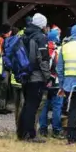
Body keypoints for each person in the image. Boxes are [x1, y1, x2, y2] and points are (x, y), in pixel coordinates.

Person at [17, 13, 51, 142]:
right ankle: (30, 134)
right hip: (36, 76)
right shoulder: (40, 37)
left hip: (25, 75)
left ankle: (21, 132)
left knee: (26, 105)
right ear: (42, 25)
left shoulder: (24, 35)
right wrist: (48, 77)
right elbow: (43, 59)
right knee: (33, 106)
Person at [38, 28, 63, 138]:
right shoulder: (59, 50)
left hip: (44, 82)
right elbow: (59, 68)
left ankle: (43, 129)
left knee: (44, 107)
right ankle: (56, 130)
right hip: (56, 83)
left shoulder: (43, 48)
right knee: (57, 107)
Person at [0, 23, 13, 114]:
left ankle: (2, 106)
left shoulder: (0, 39)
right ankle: (0, 107)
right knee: (3, 87)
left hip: (2, 67)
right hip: (3, 67)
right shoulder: (1, 40)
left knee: (4, 87)